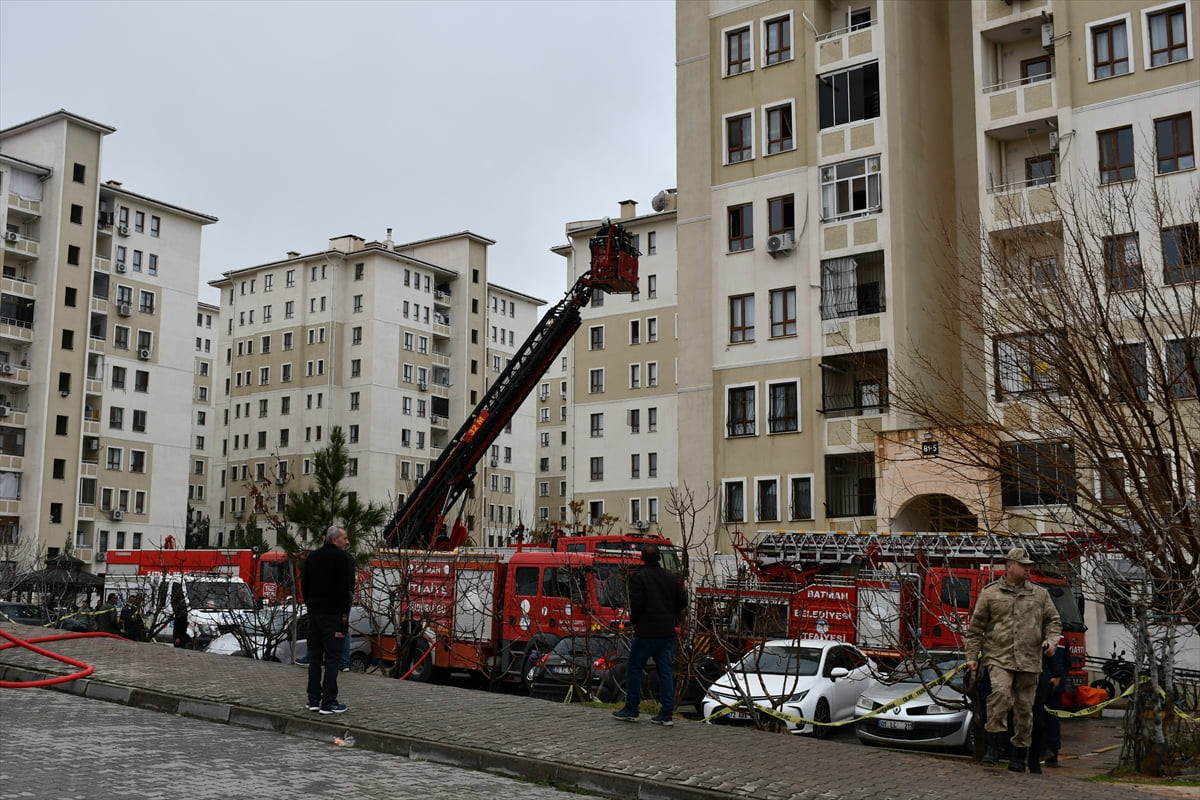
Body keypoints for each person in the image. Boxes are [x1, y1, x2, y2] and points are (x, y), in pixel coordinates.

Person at [964, 547, 1062, 772]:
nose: (1028, 569)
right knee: (1000, 694)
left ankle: (1019, 755)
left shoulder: (1040, 594)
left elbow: (1054, 621)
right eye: (1023, 565)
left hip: (1029, 660)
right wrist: (972, 656)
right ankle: (994, 747)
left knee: (1024, 709)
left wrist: (1052, 641)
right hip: (999, 656)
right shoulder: (990, 593)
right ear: (1009, 567)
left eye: (1029, 565)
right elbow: (976, 627)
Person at [612, 543, 687, 726]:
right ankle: (666, 713)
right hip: (667, 631)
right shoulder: (670, 577)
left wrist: (635, 620)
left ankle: (631, 709)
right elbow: (682, 600)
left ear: (642, 558)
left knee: (635, 667)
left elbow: (637, 603)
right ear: (659, 559)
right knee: (665, 672)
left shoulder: (638, 576)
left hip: (646, 631)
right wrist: (672, 616)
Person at [301, 525, 356, 714]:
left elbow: (305, 584)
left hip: (314, 614)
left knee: (315, 657)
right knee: (332, 659)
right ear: (334, 540)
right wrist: (343, 614)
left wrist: (311, 605)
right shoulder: (342, 559)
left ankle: (313, 699)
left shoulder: (312, 557)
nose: (347, 541)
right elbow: (344, 588)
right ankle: (329, 702)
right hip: (333, 616)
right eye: (344, 538)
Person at [1038, 635, 1070, 767]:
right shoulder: (1063, 639)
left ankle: (1043, 750)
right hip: (1056, 686)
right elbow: (1067, 664)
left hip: (1042, 684)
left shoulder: (1039, 637)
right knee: (1053, 719)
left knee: (1040, 720)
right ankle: (1053, 754)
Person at [170, 584, 190, 648]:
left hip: (180, 638)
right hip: (179, 637)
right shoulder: (179, 614)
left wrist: (178, 637)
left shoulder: (181, 615)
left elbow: (181, 627)